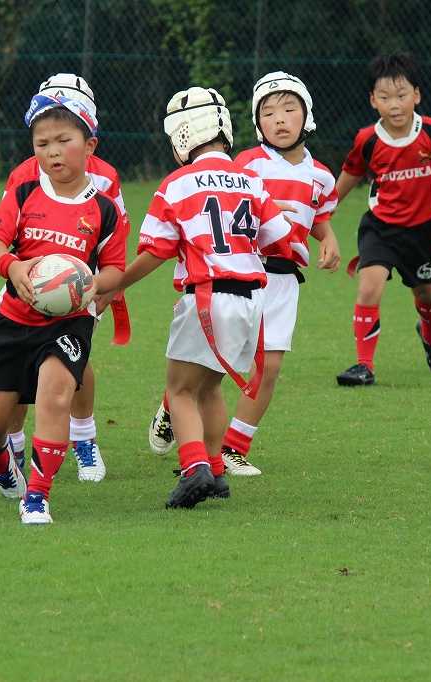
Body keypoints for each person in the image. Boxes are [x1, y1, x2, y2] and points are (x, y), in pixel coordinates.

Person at [147, 72, 340, 477]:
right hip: (239, 273)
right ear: (256, 123)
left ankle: (234, 447)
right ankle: (173, 404)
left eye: (289, 109)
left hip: (284, 280)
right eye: (268, 113)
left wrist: (327, 238)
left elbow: (318, 216)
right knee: (210, 365)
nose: (279, 119)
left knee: (269, 367)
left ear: (307, 115)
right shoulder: (246, 164)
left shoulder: (322, 176)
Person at [106, 87, 290, 509]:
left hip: (207, 297)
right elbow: (281, 239)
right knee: (209, 388)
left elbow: (157, 249)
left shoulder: (176, 184)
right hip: (250, 303)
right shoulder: (252, 181)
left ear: (182, 136)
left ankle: (194, 470)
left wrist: (117, 284)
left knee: (180, 391)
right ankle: (217, 471)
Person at [0, 95, 125, 525]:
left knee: (56, 395)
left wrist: (94, 285)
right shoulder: (24, 193)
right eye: (42, 144)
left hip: (68, 323)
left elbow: (115, 268)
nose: (53, 152)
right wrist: (12, 265)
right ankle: (3, 467)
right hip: (13, 319)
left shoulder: (105, 210)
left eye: (63, 141)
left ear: (89, 145)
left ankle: (37, 495)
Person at [333, 53, 431, 387]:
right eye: (385, 97)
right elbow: (351, 172)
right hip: (381, 227)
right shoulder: (368, 139)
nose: (394, 104)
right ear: (373, 100)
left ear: (416, 95)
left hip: (423, 230)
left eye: (402, 95)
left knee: (426, 295)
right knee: (369, 286)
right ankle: (364, 365)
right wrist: (326, 207)